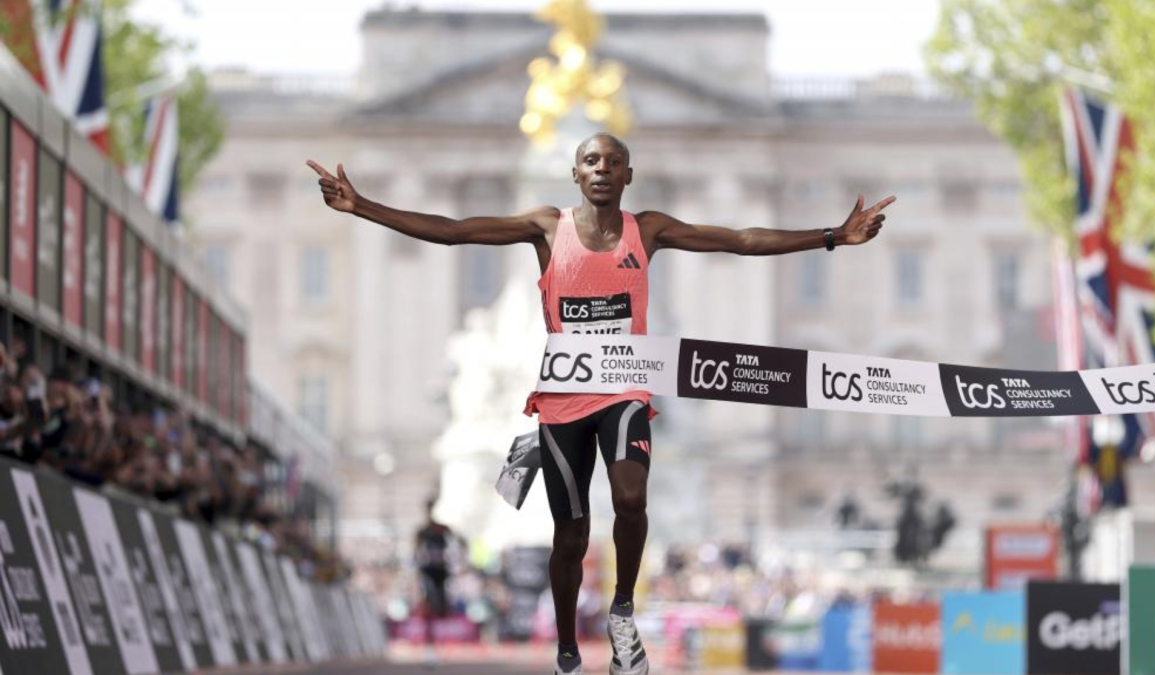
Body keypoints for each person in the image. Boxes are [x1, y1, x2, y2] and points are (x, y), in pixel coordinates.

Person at [307, 133, 892, 675]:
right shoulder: (545, 228)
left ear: (629, 175)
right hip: (563, 401)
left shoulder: (650, 229)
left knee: (632, 499)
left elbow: (738, 241)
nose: (602, 170)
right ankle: (567, 648)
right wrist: (362, 206)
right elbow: (454, 229)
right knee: (571, 533)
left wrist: (833, 236)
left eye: (613, 162)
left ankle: (621, 609)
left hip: (625, 389)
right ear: (575, 173)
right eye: (592, 161)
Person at [414, 498, 456, 667]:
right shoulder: (423, 531)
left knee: (441, 608)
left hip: (441, 573)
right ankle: (431, 648)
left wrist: (454, 561)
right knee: (430, 609)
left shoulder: (443, 529)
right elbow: (416, 551)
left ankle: (438, 647)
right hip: (429, 573)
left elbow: (457, 544)